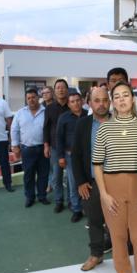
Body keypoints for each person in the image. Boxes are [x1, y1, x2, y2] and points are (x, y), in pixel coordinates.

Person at [92, 81, 137, 273]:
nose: (121, 100)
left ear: (133, 99)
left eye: (125, 95)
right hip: (112, 187)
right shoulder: (104, 128)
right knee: (118, 236)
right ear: (112, 102)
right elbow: (97, 163)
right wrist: (104, 194)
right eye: (116, 96)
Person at [72, 87, 112, 271]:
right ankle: (96, 255)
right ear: (90, 103)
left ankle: (124, 256)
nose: (101, 104)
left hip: (117, 182)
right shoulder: (83, 125)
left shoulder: (120, 123)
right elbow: (76, 155)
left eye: (105, 100)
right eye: (97, 100)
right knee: (95, 220)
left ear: (109, 102)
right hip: (92, 182)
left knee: (120, 222)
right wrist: (80, 181)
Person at [10, 88, 50, 207]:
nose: (31, 100)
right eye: (29, 98)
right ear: (26, 99)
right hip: (27, 149)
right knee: (28, 175)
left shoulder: (46, 111)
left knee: (43, 174)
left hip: (44, 148)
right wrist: (15, 146)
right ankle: (30, 197)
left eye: (33, 97)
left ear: (38, 98)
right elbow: (14, 130)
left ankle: (42, 196)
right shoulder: (20, 113)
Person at [56, 92, 87, 223]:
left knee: (87, 182)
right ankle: (76, 209)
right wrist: (60, 157)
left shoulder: (89, 115)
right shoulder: (63, 118)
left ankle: (88, 208)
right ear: (68, 104)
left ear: (82, 101)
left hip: (87, 155)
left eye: (78, 100)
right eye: (72, 101)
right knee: (74, 183)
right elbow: (59, 138)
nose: (76, 103)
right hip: (70, 156)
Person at [43, 79, 70, 213]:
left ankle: (72, 201)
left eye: (63, 87)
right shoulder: (49, 108)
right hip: (54, 147)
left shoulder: (72, 105)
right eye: (58, 87)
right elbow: (46, 128)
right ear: (55, 91)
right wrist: (46, 146)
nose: (60, 89)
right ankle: (59, 201)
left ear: (67, 89)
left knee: (72, 177)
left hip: (71, 148)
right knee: (56, 176)